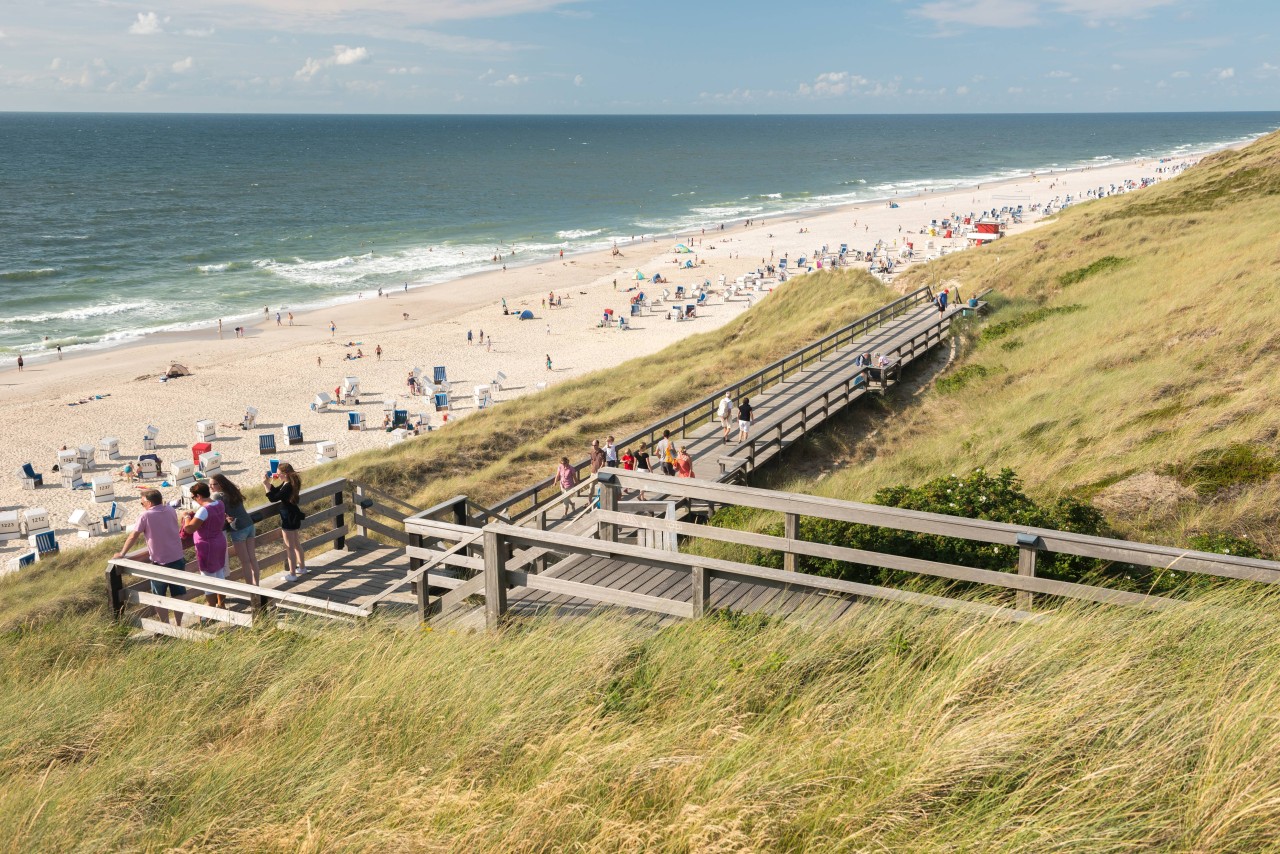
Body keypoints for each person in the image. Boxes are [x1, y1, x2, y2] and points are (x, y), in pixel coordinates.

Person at [115, 488, 187, 626]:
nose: (142, 506)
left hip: (160, 561)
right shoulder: (171, 510)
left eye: (142, 503)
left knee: (158, 597)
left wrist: (122, 553)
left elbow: (133, 535)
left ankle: (165, 626)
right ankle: (179, 624)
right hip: (177, 557)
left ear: (148, 502)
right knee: (178, 595)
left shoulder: (146, 516)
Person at [180, 481, 229, 609]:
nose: (194, 500)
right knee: (219, 574)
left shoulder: (204, 510)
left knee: (207, 578)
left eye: (193, 497)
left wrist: (186, 517)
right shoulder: (219, 503)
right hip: (219, 540)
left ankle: (211, 607)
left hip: (207, 546)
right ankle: (221, 604)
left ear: (198, 496)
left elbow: (189, 529)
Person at [211, 473, 259, 586]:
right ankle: (257, 586)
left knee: (245, 562)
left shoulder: (217, 496)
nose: (211, 487)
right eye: (210, 485)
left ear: (220, 484)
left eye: (213, 484)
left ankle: (251, 590)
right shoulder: (233, 492)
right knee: (252, 558)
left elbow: (213, 511)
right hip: (249, 525)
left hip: (238, 528)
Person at [265, 462, 306, 581]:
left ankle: (292, 574)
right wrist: (268, 483)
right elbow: (277, 492)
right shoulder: (289, 483)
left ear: (285, 474)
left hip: (288, 517)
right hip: (292, 515)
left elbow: (273, 498)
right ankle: (302, 567)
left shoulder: (288, 486)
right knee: (296, 543)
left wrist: (265, 485)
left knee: (290, 547)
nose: (277, 476)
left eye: (278, 474)